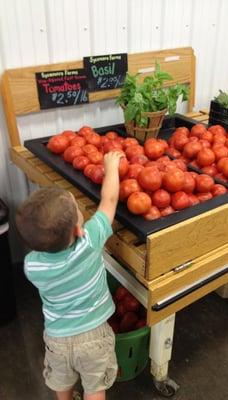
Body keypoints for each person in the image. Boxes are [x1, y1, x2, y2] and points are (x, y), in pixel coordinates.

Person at [15, 151, 123, 400]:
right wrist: (111, 165)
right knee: (95, 387)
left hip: (57, 337)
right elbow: (110, 200)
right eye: (77, 209)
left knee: (61, 381)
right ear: (78, 228)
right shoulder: (90, 242)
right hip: (94, 335)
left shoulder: (32, 266)